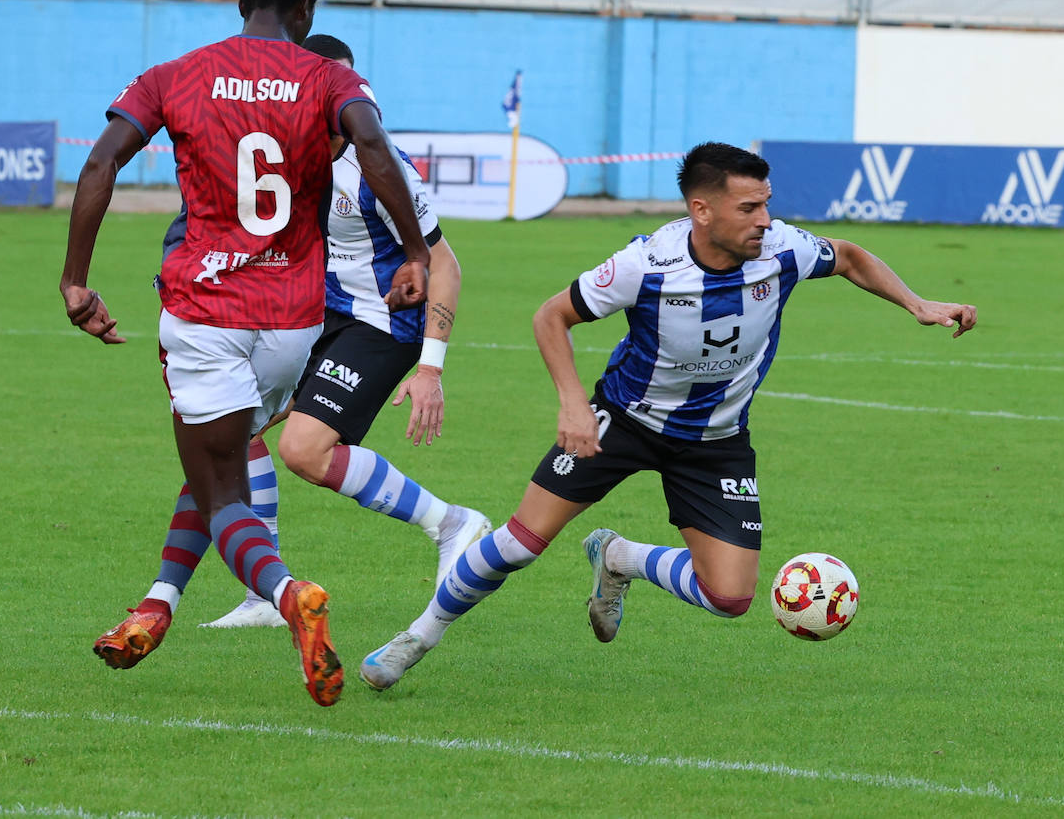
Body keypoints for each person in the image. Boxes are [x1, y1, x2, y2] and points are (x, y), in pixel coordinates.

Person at [358, 141, 977, 689]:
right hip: (622, 422)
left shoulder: (782, 249)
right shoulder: (647, 264)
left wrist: (916, 303)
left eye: (766, 204)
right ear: (700, 211)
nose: (765, 220)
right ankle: (417, 637)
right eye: (748, 208)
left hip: (717, 441)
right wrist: (574, 403)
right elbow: (553, 316)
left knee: (731, 597)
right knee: (521, 543)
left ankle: (620, 558)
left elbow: (846, 255)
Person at [59, 0, 430, 708]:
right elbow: (372, 143)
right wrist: (417, 249)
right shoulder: (328, 76)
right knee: (215, 463)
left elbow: (100, 164)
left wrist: (75, 280)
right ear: (307, 11)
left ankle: (289, 596)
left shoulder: (175, 75)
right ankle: (157, 603)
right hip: (293, 324)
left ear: (240, 3)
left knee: (220, 484)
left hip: (205, 313)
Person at [196, 34, 491, 630]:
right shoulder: (282, 155)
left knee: (303, 449)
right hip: (316, 315)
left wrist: (430, 367)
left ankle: (453, 523)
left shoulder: (378, 168)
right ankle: (265, 593)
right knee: (234, 421)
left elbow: (447, 266)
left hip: (382, 324)